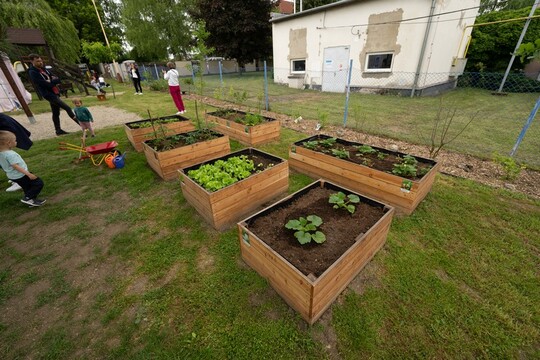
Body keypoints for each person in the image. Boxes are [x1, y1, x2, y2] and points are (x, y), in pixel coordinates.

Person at [27, 54, 79, 136]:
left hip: (54, 92)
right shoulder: (33, 72)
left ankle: (58, 130)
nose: (40, 62)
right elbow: (45, 84)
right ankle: (82, 125)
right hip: (48, 94)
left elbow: (57, 78)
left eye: (41, 61)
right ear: (32, 61)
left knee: (55, 112)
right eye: (37, 61)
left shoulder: (44, 69)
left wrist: (51, 81)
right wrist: (52, 82)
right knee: (67, 108)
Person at [0, 131, 46, 207]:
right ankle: (27, 198)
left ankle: (31, 201)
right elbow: (15, 166)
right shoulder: (10, 154)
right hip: (20, 175)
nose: (16, 142)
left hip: (12, 176)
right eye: (15, 140)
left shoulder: (1, 154)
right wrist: (28, 174)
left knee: (27, 187)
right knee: (38, 183)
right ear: (9, 143)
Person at [0, 113, 33, 192]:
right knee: (4, 158)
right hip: (3, 122)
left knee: (9, 159)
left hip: (3, 124)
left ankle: (18, 179)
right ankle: (15, 177)